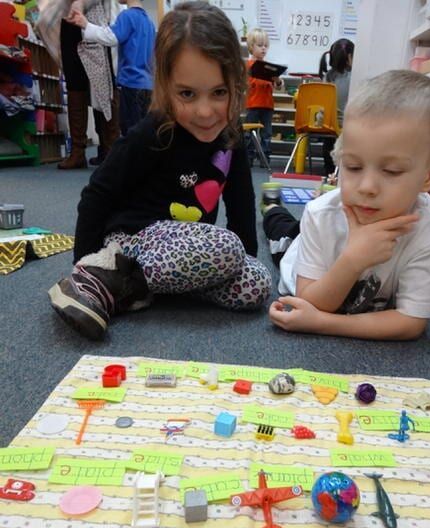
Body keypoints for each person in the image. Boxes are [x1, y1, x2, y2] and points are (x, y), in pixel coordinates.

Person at [48, 0, 272, 341]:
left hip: (186, 254)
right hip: (130, 243)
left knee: (257, 283)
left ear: (237, 85)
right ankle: (101, 279)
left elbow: (241, 201)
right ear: (166, 85)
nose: (205, 111)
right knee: (227, 248)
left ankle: (140, 291)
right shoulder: (153, 130)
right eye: (187, 94)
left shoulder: (231, 136)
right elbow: (97, 193)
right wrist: (85, 262)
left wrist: (245, 262)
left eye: (219, 93)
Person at [266, 69, 430, 341]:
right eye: (352, 166)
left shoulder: (429, 230)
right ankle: (271, 207)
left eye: (391, 171)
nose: (366, 187)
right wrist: (353, 259)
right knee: (280, 232)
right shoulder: (321, 214)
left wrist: (322, 324)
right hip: (298, 253)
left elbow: (411, 322)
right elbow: (311, 300)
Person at [36, 0, 120, 169]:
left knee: (102, 81)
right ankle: (78, 152)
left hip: (96, 19)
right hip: (69, 20)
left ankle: (110, 149)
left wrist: (82, 2)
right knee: (74, 83)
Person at [67, 0, 156, 136]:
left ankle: (132, 157)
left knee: (130, 132)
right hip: (148, 87)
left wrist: (86, 24)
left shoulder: (127, 16)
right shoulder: (149, 23)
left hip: (131, 85)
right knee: (145, 132)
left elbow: (110, 37)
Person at [244, 27, 282, 166]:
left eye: (266, 46)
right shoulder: (247, 66)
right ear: (251, 47)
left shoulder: (269, 66)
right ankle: (248, 157)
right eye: (260, 46)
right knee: (249, 133)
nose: (264, 49)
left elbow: (278, 85)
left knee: (266, 134)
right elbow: (243, 84)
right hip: (253, 104)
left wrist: (277, 80)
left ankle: (265, 159)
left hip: (267, 105)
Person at [318, 38, 355, 176]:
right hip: (346, 126)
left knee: (329, 133)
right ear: (350, 57)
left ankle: (328, 172)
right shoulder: (354, 76)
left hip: (327, 124)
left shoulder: (328, 76)